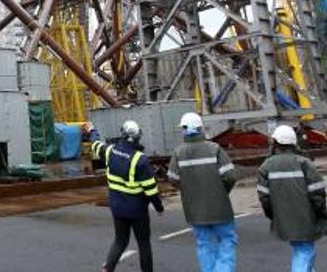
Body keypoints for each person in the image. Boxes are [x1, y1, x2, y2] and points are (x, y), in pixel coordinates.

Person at [168, 112, 237, 272]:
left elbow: (173, 179)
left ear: (185, 130)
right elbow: (230, 176)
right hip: (220, 208)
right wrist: (221, 192)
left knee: (204, 243)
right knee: (227, 239)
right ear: (201, 129)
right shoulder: (214, 149)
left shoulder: (178, 153)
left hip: (195, 210)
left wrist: (190, 190)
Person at [257, 125, 327, 272]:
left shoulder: (266, 166)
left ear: (275, 142)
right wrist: (321, 214)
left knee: (303, 250)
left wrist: (274, 216)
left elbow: (264, 198)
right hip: (306, 217)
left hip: (283, 218)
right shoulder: (304, 163)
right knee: (304, 251)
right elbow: (318, 195)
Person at [100, 120, 164, 271]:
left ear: (122, 134)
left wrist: (91, 132)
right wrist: (159, 207)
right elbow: (151, 190)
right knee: (143, 244)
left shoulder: (110, 151)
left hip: (117, 208)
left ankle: (108, 268)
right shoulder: (140, 160)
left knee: (120, 241)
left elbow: (97, 145)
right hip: (137, 211)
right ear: (137, 138)